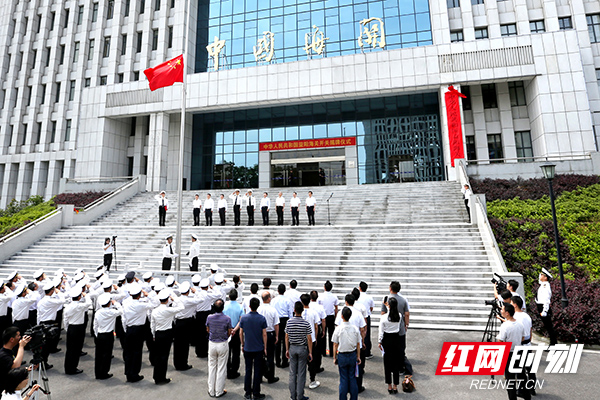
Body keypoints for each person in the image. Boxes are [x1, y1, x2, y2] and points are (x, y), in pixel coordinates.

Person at [122, 283, 155, 383]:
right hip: (138, 329)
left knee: (128, 353)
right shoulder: (141, 305)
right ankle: (134, 374)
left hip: (129, 329)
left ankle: (128, 373)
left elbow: (123, 319)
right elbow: (155, 303)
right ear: (139, 294)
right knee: (136, 352)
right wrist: (148, 295)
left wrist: (125, 329)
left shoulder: (126, 303)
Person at [151, 290, 185, 385]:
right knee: (164, 356)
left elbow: (152, 324)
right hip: (167, 334)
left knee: (158, 356)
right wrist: (174, 299)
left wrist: (153, 335)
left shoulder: (155, 310)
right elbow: (181, 307)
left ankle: (156, 376)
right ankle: (162, 377)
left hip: (158, 333)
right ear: (167, 300)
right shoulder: (168, 310)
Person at [497, 303, 528, 400]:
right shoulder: (520, 324)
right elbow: (523, 338)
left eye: (502, 310)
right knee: (522, 376)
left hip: (509, 353)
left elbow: (501, 341)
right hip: (519, 352)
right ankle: (527, 396)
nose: (501, 311)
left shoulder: (505, 326)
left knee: (510, 379)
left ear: (507, 313)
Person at [239, 297, 267, 399]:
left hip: (248, 347)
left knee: (248, 370)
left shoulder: (244, 318)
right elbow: (264, 334)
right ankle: (256, 392)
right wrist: (265, 347)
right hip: (258, 347)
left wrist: (242, 344)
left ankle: (247, 392)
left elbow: (241, 333)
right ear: (258, 306)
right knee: (257, 370)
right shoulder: (262, 318)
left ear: (249, 306)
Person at [285, 301, 313, 400]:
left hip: (292, 347)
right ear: (302, 310)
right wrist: (310, 352)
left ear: (294, 310)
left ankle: (293, 395)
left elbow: (286, 336)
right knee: (301, 373)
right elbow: (309, 338)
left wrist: (287, 349)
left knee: (292, 373)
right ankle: (300, 396)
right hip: (302, 348)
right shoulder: (306, 323)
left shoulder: (289, 322)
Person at [332, 307, 361, 400]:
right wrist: (358, 356)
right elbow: (358, 343)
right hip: (352, 354)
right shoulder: (355, 329)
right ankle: (354, 398)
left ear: (342, 316)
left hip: (342, 355)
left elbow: (335, 344)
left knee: (343, 378)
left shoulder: (338, 329)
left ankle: (343, 398)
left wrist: (334, 357)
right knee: (352, 378)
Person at [206, 299, 232, 398]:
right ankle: (219, 390)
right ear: (223, 308)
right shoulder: (227, 318)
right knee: (221, 367)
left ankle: (211, 390)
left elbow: (208, 329)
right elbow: (229, 332)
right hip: (222, 343)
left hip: (212, 342)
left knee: (212, 366)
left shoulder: (209, 317)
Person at [174, 282, 202, 371]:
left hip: (178, 322)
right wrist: (196, 292)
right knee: (184, 344)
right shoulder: (189, 300)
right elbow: (201, 299)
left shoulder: (177, 299)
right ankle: (183, 364)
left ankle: (177, 363)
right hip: (186, 322)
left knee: (177, 344)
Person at [93, 293, 123, 380]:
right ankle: (104, 373)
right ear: (109, 303)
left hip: (100, 334)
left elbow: (95, 326)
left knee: (98, 355)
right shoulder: (111, 312)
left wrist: (96, 334)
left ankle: (98, 373)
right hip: (108, 335)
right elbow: (121, 311)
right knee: (107, 355)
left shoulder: (98, 312)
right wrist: (116, 303)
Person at [512, 296, 536, 396]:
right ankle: (532, 389)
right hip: (528, 345)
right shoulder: (527, 316)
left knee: (519, 370)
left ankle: (522, 391)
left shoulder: (515, 317)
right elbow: (530, 331)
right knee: (530, 369)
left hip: (520, 346)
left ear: (515, 305)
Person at [63, 287, 91, 375]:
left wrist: (67, 328)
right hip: (79, 328)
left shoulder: (68, 307)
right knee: (76, 349)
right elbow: (89, 303)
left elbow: (65, 320)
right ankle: (73, 368)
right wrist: (86, 295)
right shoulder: (80, 306)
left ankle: (68, 368)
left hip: (71, 327)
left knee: (70, 349)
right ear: (79, 297)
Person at [378, 297, 403, 394]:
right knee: (396, 363)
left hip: (386, 339)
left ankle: (389, 385)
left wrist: (379, 341)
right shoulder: (399, 316)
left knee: (387, 363)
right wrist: (388, 306)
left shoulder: (384, 317)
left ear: (388, 305)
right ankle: (395, 386)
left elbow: (381, 331)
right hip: (396, 339)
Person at [0, 327, 31, 394]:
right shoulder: (3, 355)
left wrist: (25, 369)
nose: (20, 337)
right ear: (12, 339)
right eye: (18, 336)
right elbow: (15, 367)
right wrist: (21, 346)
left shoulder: (9, 351)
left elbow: (9, 368)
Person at [258, 292, 280, 384]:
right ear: (269, 299)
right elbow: (276, 324)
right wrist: (277, 335)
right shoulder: (273, 310)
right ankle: (270, 377)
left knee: (259, 356)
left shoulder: (259, 309)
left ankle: (259, 376)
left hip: (259, 334)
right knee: (270, 356)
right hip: (270, 333)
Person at [300, 293, 321, 390]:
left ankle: (300, 380)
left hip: (300, 339)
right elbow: (316, 326)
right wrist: (315, 337)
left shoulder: (298, 312)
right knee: (311, 360)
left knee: (300, 361)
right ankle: (312, 380)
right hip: (311, 339)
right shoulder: (313, 312)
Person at [223, 289, 244, 379]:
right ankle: (234, 371)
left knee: (227, 352)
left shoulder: (224, 306)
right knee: (236, 352)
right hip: (235, 331)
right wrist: (234, 329)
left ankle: (227, 370)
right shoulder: (240, 307)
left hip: (226, 331)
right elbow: (241, 320)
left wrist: (229, 329)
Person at [272, 283, 293, 368]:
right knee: (285, 340)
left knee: (277, 340)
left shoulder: (273, 300)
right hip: (285, 320)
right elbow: (290, 313)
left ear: (278, 291)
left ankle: (277, 361)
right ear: (285, 291)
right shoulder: (287, 300)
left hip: (276, 320)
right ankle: (285, 360)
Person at [536, 268, 556, 345]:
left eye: (542, 275)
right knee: (548, 327)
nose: (540, 276)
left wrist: (544, 311)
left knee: (549, 327)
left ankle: (553, 344)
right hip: (541, 306)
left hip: (543, 307)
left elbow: (546, 300)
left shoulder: (545, 286)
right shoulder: (543, 285)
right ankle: (553, 343)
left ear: (545, 277)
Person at [319, 280, 339, 357]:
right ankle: (331, 351)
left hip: (323, 317)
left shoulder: (320, 296)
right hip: (331, 317)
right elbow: (336, 308)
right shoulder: (334, 297)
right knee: (331, 335)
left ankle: (323, 351)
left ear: (324, 287)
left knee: (323, 334)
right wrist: (335, 316)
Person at [357, 281, 374, 358]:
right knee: (366, 334)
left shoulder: (357, 296)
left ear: (359, 288)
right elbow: (371, 308)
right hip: (366, 317)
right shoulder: (369, 297)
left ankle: (358, 350)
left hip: (358, 316)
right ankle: (367, 352)